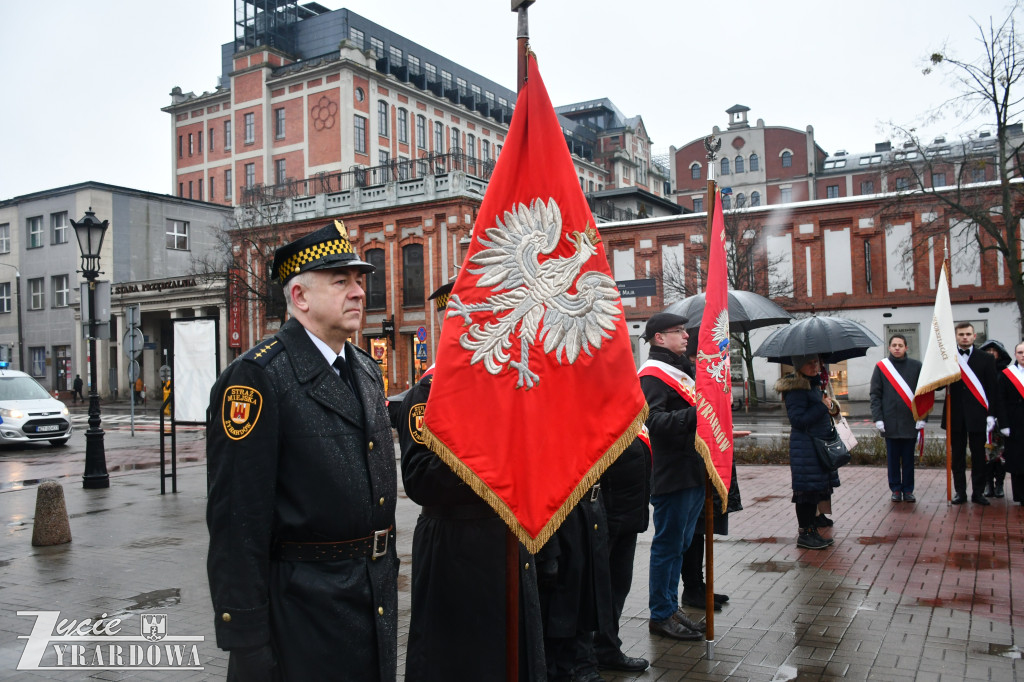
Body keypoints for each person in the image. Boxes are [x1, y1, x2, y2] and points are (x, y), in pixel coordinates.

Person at [205, 220, 398, 681]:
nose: (358, 292)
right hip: (301, 611)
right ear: (300, 298)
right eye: (341, 282)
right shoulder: (258, 378)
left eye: (359, 280)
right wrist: (247, 640)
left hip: (370, 598)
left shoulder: (366, 371)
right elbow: (238, 523)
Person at [399, 281, 545, 682]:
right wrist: (487, 447)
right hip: (455, 544)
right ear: (452, 325)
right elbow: (419, 479)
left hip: (508, 537)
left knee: (513, 653)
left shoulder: (510, 384)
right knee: (461, 659)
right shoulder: (427, 395)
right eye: (474, 319)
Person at [637, 312, 706, 641]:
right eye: (678, 331)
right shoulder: (652, 375)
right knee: (667, 546)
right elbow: (655, 423)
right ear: (659, 338)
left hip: (690, 470)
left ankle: (669, 606)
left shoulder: (681, 369)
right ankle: (660, 614)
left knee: (680, 545)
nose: (686, 336)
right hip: (672, 473)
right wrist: (700, 412)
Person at [588, 431, 652, 673]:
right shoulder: (601, 410)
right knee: (597, 588)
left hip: (628, 514)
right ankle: (584, 655)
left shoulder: (630, 412)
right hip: (606, 514)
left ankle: (607, 647)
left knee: (618, 585)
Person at [775, 354, 840, 550]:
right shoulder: (796, 388)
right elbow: (798, 420)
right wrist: (822, 406)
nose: (816, 366)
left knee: (815, 490)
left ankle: (812, 529)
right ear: (799, 365)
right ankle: (805, 533)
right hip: (806, 447)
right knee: (806, 492)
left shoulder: (813, 384)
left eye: (817, 362)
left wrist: (828, 406)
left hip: (816, 445)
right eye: (810, 363)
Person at [942, 322, 999, 505]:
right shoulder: (948, 358)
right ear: (956, 337)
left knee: (978, 456)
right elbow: (939, 386)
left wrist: (991, 415)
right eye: (961, 334)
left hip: (978, 415)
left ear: (974, 336)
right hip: (955, 415)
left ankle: (978, 492)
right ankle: (960, 492)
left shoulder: (986, 359)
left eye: (968, 334)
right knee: (957, 456)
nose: (964, 337)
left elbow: (992, 389)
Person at [870, 334, 925, 503]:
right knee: (893, 460)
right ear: (889, 347)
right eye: (894, 345)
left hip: (910, 421)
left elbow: (924, 393)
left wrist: (922, 416)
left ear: (906, 347)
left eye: (900, 345)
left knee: (908, 459)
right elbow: (875, 394)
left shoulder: (917, 366)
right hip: (890, 422)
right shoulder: (881, 367)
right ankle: (895, 489)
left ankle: (908, 490)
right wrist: (878, 418)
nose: (897, 348)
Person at [981, 339, 1012, 498]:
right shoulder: (979, 372)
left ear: (1000, 354)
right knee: (985, 454)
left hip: (1001, 420)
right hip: (983, 419)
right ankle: (988, 484)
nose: (991, 354)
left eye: (994, 351)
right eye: (988, 351)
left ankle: (999, 484)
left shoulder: (1006, 373)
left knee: (1000, 454)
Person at [997, 341, 1024, 505]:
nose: (1023, 355)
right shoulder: (1008, 374)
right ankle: (1020, 496)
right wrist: (1004, 424)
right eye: (1020, 352)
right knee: (1018, 460)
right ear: (1015, 355)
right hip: (1015, 422)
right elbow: (1001, 401)